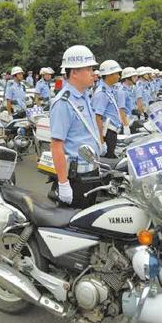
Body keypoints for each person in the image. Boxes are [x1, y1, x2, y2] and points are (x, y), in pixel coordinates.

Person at [50, 45, 102, 208]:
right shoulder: (63, 102)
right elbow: (57, 146)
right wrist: (63, 183)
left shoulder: (85, 96)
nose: (93, 73)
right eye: (89, 69)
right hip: (76, 177)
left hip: (91, 171)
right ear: (74, 72)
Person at [92, 60, 123, 158]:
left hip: (112, 132)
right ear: (109, 75)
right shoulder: (102, 93)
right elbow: (97, 118)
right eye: (117, 73)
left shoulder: (109, 90)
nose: (119, 76)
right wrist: (101, 141)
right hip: (107, 133)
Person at [117, 67, 138, 135]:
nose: (136, 78)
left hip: (131, 120)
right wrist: (126, 126)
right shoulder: (122, 91)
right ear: (127, 78)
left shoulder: (130, 89)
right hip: (125, 123)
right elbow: (121, 110)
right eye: (134, 76)